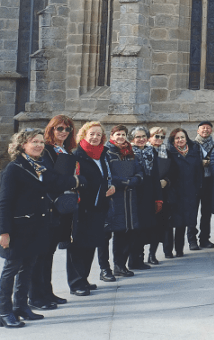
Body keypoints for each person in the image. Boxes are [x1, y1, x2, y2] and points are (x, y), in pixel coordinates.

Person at [1, 130, 79, 327]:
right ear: (22, 145)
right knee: (11, 269)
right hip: (19, 229)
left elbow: (56, 182)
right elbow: (4, 202)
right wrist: (4, 232)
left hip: (37, 227)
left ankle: (21, 307)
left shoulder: (40, 165)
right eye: (33, 142)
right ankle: (4, 311)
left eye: (41, 142)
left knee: (27, 268)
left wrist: (77, 181)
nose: (39, 145)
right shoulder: (14, 168)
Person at [31, 115, 77, 309]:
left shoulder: (64, 150)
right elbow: (49, 178)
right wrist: (75, 181)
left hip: (58, 208)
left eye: (67, 129)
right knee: (39, 254)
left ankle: (47, 291)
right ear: (51, 130)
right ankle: (35, 296)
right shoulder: (46, 150)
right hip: (45, 207)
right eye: (59, 129)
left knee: (49, 252)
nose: (63, 132)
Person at [67, 122, 116, 296]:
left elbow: (107, 176)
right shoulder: (77, 155)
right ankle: (75, 283)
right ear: (84, 135)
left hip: (99, 206)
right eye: (91, 134)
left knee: (90, 245)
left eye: (98, 134)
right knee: (78, 246)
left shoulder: (103, 154)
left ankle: (84, 279)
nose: (95, 137)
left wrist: (112, 186)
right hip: (81, 208)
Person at [103, 125, 143, 278]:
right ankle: (111, 266)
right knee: (115, 232)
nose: (121, 137)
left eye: (123, 134)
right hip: (115, 199)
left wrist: (135, 180)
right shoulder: (107, 153)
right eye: (118, 134)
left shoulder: (130, 153)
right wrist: (125, 182)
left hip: (130, 199)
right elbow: (108, 174)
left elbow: (139, 171)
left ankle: (121, 265)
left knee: (127, 232)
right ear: (112, 136)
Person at [128, 126, 161, 268]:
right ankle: (133, 260)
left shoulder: (151, 151)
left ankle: (140, 259)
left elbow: (155, 175)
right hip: (134, 193)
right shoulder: (128, 152)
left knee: (146, 228)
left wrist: (158, 197)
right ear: (132, 139)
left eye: (143, 136)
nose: (141, 139)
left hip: (148, 193)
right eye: (137, 137)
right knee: (134, 229)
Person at [167, 128, 203, 253]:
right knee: (176, 222)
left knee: (188, 219)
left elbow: (199, 171)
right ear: (173, 140)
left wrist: (199, 187)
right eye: (177, 138)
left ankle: (186, 245)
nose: (180, 140)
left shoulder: (194, 151)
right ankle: (173, 250)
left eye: (182, 137)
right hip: (175, 192)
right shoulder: (169, 152)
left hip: (191, 191)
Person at [148, 127, 173, 258]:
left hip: (164, 193)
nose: (159, 139)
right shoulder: (145, 151)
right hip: (149, 193)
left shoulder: (167, 152)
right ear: (149, 137)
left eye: (162, 137)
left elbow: (173, 172)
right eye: (156, 136)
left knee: (165, 224)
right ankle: (150, 254)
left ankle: (167, 251)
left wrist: (167, 181)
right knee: (152, 225)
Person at [192, 121, 214, 249]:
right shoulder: (192, 145)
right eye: (203, 128)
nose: (205, 130)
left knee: (206, 213)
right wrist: (199, 163)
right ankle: (192, 240)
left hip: (209, 182)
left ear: (211, 131)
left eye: (208, 128)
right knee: (192, 212)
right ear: (198, 131)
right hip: (196, 183)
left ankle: (204, 238)